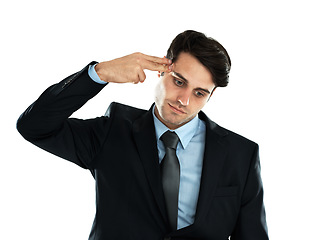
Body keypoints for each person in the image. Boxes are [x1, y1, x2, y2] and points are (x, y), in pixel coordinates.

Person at [17, 30, 269, 240]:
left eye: (199, 93)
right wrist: (99, 73)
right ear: (161, 70)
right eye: (179, 82)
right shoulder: (112, 131)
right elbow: (34, 126)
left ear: (210, 96)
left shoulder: (240, 154)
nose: (184, 100)